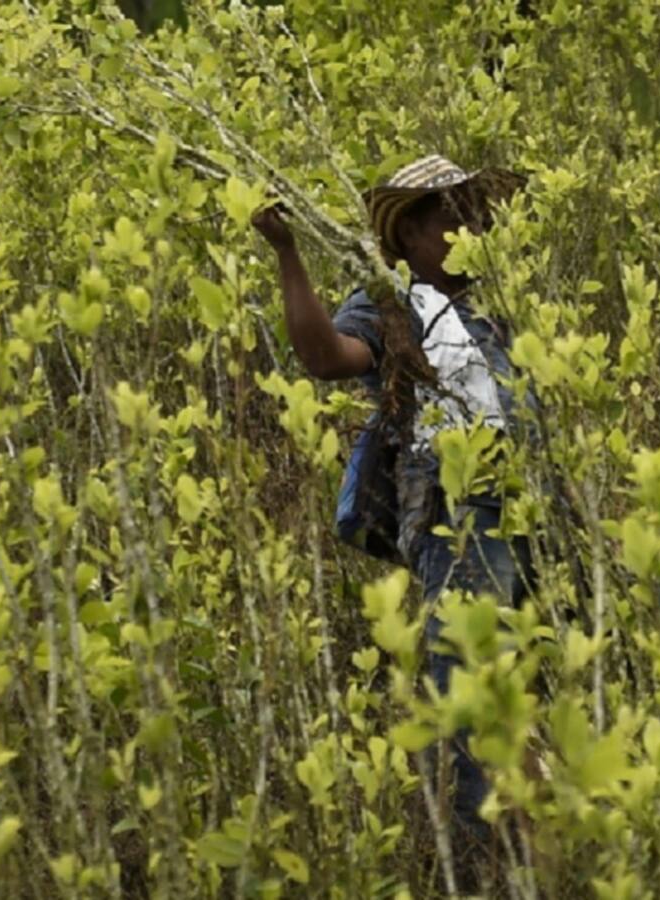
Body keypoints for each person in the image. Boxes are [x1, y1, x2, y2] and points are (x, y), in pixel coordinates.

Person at [252, 154, 538, 877]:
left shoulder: (498, 304)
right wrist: (287, 254)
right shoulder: (392, 305)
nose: (469, 228)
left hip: (533, 514)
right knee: (471, 681)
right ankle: (483, 866)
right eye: (451, 217)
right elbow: (326, 358)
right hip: (457, 510)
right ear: (408, 235)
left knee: (525, 680)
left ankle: (536, 850)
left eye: (473, 213)